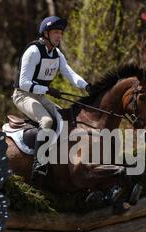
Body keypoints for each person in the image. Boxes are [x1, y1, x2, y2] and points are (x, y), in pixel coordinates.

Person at [12, 16, 91, 180]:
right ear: (46, 33)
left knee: (66, 119)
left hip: (39, 96)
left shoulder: (56, 54)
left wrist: (86, 86)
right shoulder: (33, 51)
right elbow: (23, 83)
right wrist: (47, 89)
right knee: (47, 121)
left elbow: (69, 73)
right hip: (23, 95)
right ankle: (39, 164)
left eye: (60, 32)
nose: (59, 36)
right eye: (56, 32)